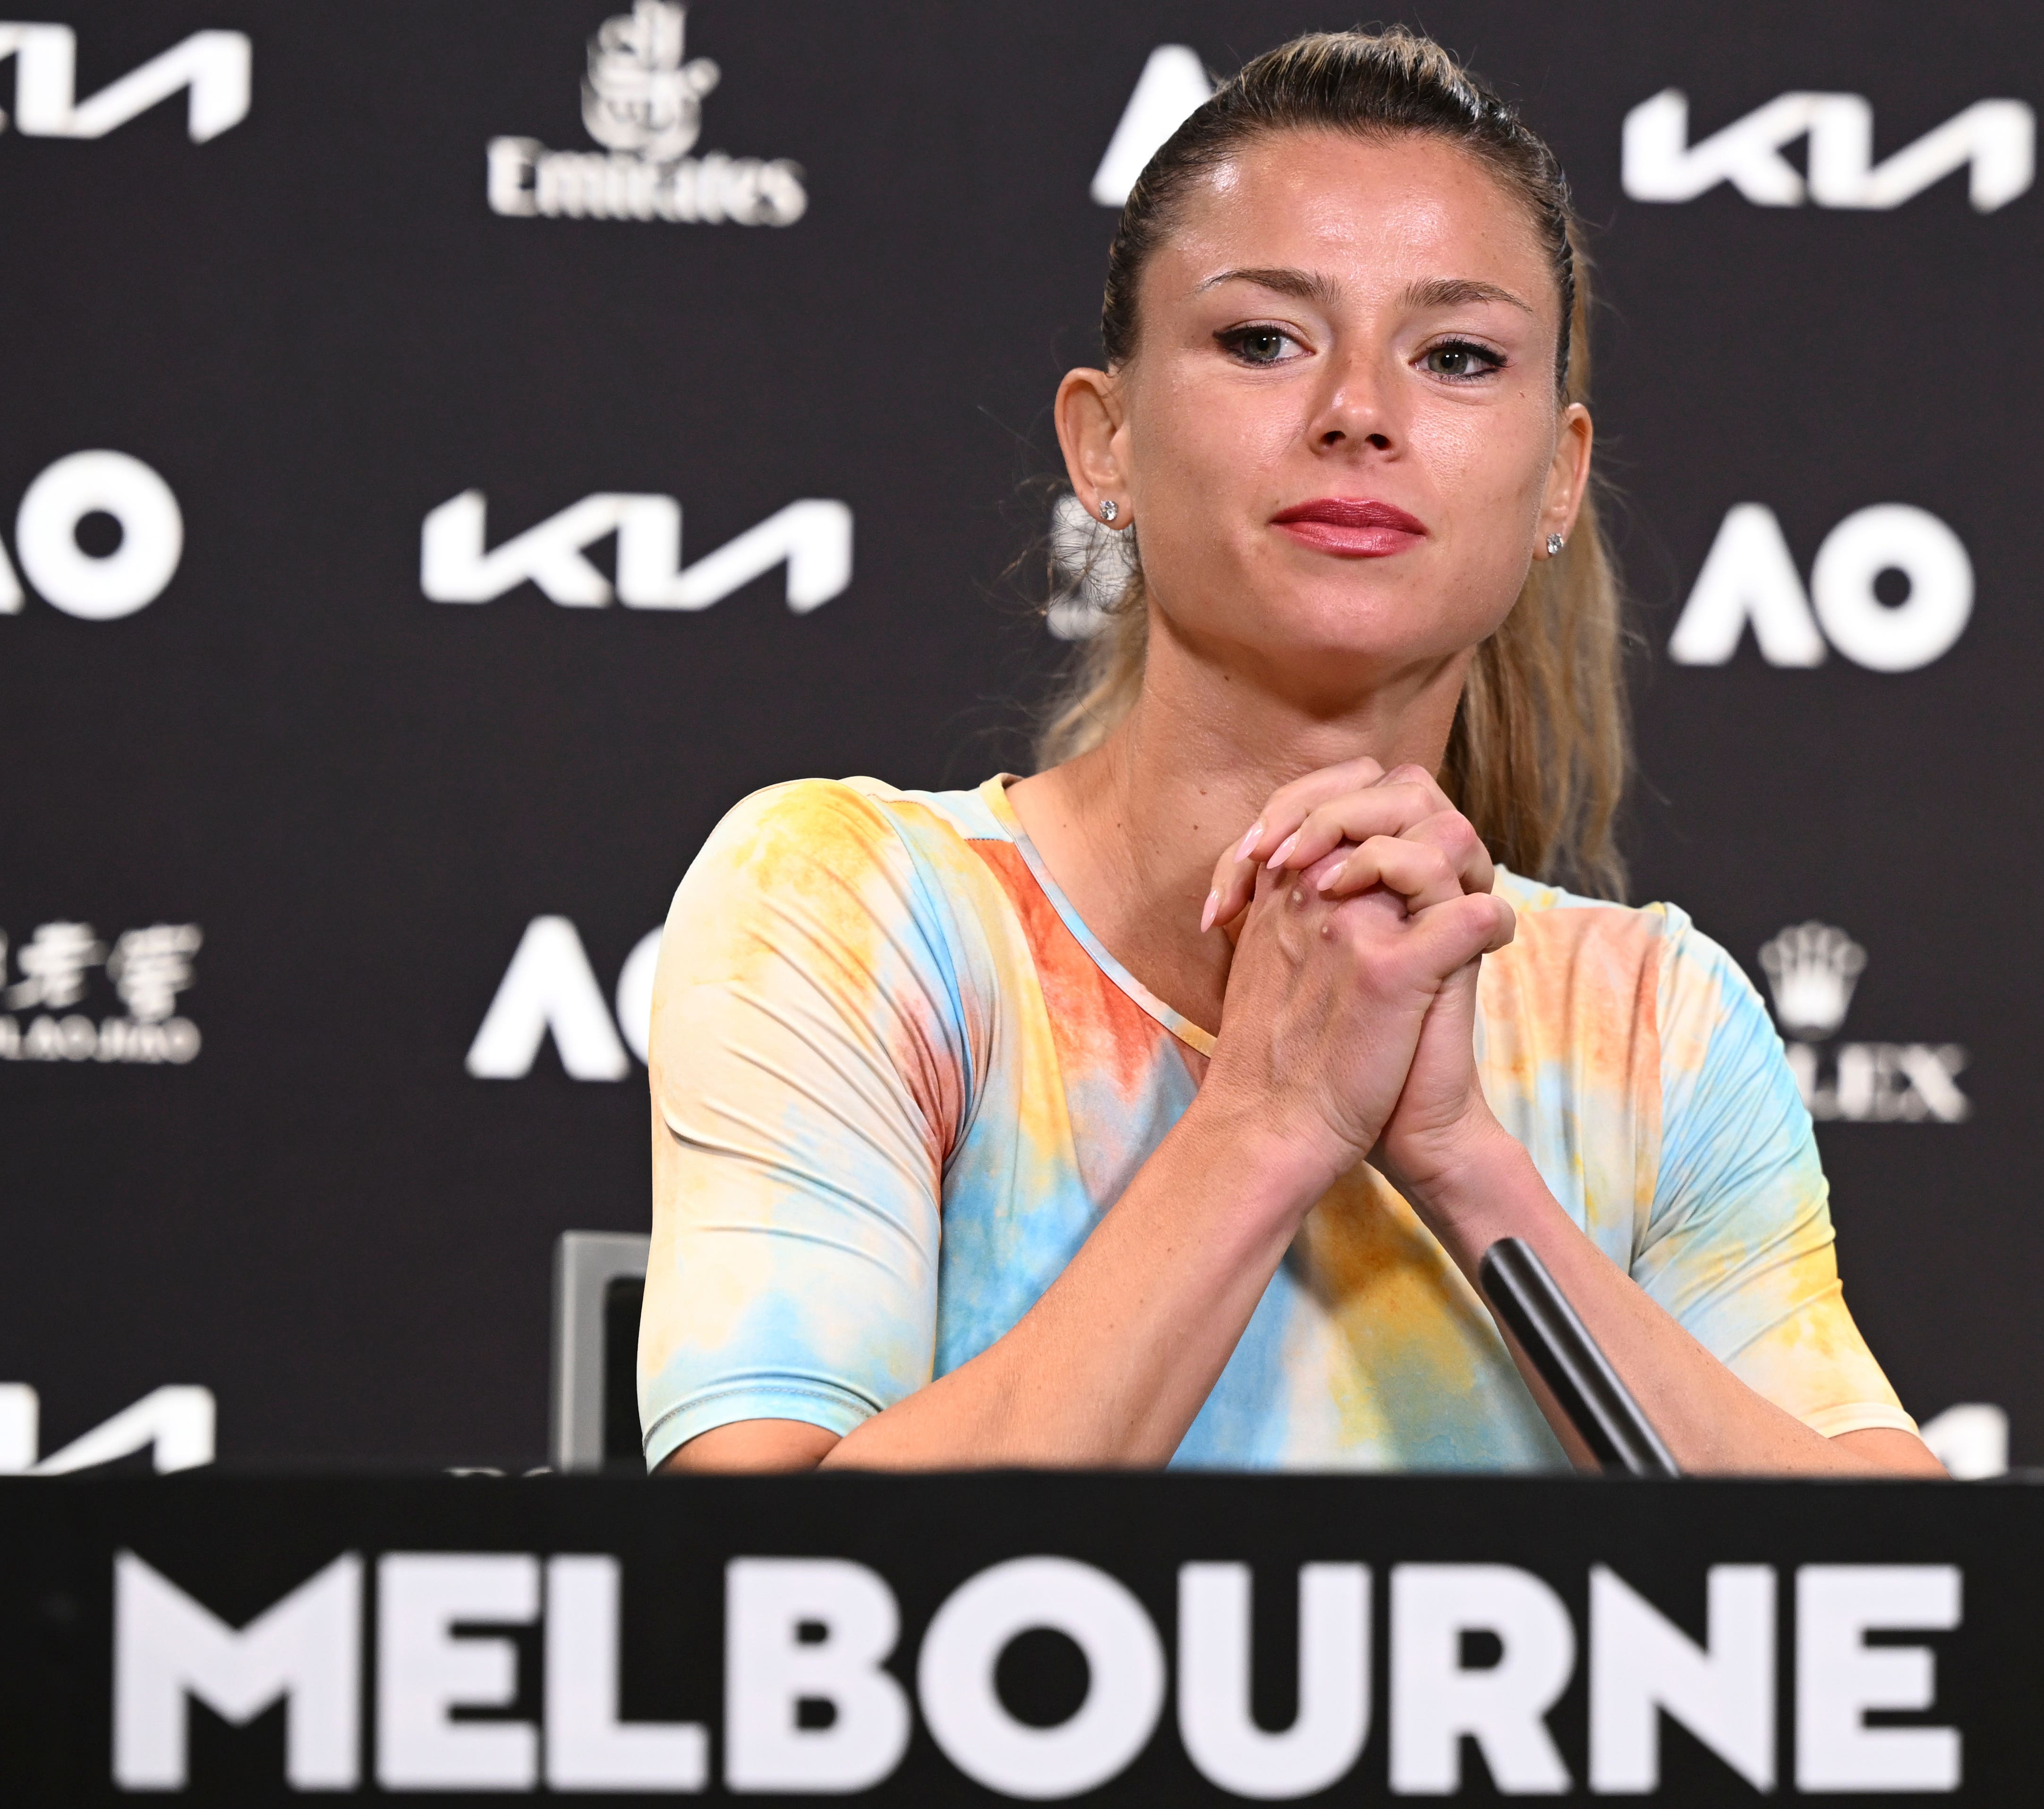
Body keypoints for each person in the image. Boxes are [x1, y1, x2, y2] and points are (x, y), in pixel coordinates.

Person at [640, 27, 1943, 1479]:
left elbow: (1898, 1616)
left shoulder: (1653, 1018)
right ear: (1105, 442)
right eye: (1263, 339)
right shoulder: (855, 905)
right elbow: (749, 1600)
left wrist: (1461, 1159)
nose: (1358, 415)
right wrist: (1272, 1114)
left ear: (1556, 477)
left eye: (1455, 356)